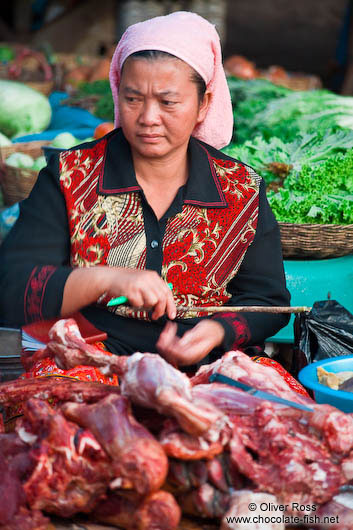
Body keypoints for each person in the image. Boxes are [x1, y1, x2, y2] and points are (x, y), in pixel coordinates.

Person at [0, 11, 293, 377]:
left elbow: (268, 299)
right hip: (92, 361)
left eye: (168, 102)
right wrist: (107, 279)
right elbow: (14, 286)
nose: (148, 117)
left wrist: (216, 332)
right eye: (133, 98)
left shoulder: (239, 188)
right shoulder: (70, 177)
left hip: (207, 367)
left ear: (203, 103)